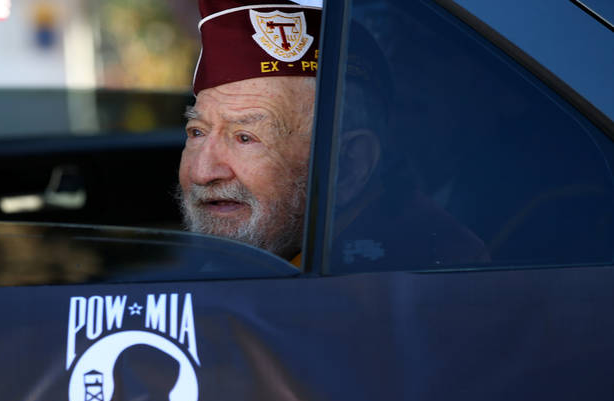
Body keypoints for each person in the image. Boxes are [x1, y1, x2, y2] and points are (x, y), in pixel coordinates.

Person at [179, 0, 488, 271]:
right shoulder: (268, 258)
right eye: (197, 132)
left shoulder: (426, 279)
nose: (203, 172)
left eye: (245, 138)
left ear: (349, 164)